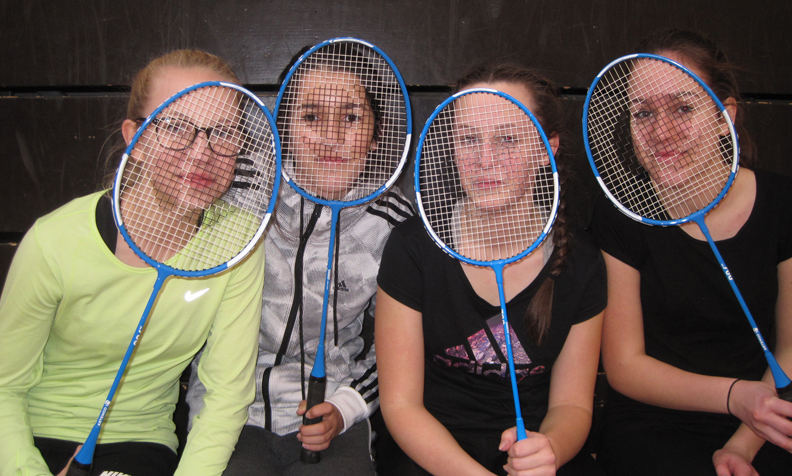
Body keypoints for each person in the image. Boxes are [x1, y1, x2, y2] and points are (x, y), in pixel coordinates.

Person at [0, 49, 266, 476]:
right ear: (136, 139)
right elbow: (4, 387)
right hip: (30, 436)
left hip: (139, 444)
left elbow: (226, 397)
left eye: (223, 133)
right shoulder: (54, 241)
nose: (202, 153)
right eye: (176, 127)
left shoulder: (238, 242)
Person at [187, 42, 414, 475]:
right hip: (226, 414)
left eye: (351, 118)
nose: (331, 136)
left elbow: (398, 353)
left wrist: (346, 407)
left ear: (377, 134)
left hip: (334, 416)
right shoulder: (236, 187)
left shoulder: (393, 223)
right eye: (311, 117)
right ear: (284, 128)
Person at [375, 62, 607, 476]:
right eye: (468, 139)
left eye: (507, 139)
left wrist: (549, 448)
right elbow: (401, 405)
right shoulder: (412, 247)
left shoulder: (582, 262)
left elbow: (572, 406)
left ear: (547, 149)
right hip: (431, 453)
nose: (485, 159)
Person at [590, 28, 792, 476]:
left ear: (725, 116)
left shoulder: (784, 205)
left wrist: (744, 443)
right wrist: (734, 396)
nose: (661, 132)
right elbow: (625, 366)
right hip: (655, 423)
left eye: (683, 108)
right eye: (643, 113)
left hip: (768, 415)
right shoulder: (619, 219)